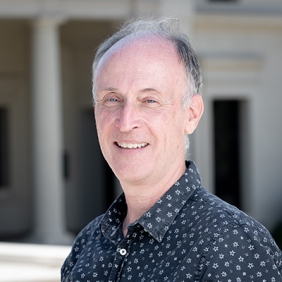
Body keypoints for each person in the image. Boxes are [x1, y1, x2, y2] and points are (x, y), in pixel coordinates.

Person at [61, 17, 282, 282]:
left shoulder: (229, 244)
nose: (126, 121)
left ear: (190, 114)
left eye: (150, 100)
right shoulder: (87, 244)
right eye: (112, 99)